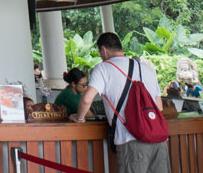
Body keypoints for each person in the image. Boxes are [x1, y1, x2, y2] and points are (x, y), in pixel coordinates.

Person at [70, 33, 169, 173]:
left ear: (104, 50)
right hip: (158, 140)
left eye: (100, 53)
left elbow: (87, 99)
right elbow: (159, 106)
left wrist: (80, 118)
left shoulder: (103, 68)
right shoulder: (145, 68)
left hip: (131, 140)